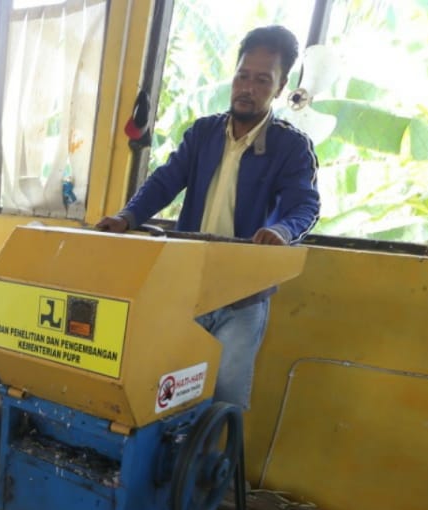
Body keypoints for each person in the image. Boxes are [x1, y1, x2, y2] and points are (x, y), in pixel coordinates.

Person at [96, 24, 320, 409]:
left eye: (262, 80)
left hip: (243, 297)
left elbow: (305, 205)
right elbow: (165, 181)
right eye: (242, 76)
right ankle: (170, 468)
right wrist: (127, 217)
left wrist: (282, 230)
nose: (247, 88)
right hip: (188, 287)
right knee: (167, 391)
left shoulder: (291, 147)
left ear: (280, 87)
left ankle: (214, 465)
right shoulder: (202, 134)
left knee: (226, 399)